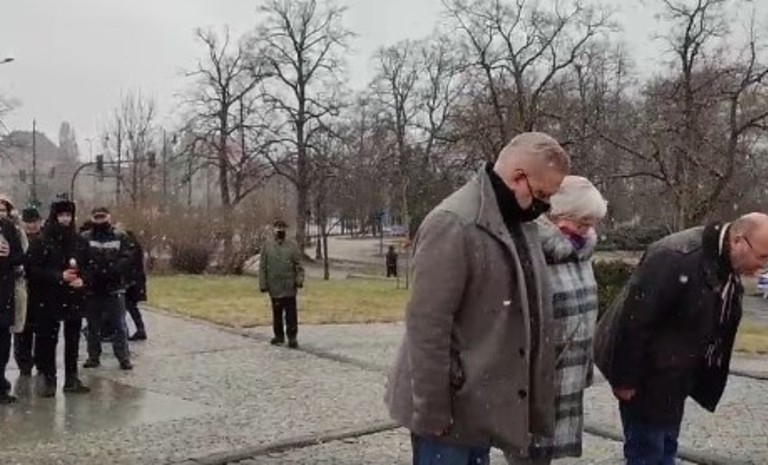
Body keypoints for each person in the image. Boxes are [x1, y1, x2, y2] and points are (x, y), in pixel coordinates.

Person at [385, 132, 570, 465]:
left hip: (480, 403)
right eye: (542, 195)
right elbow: (427, 325)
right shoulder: (453, 223)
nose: (544, 206)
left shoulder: (518, 222)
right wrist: (432, 411)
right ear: (518, 177)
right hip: (450, 410)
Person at [594, 213, 768, 465]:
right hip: (648, 376)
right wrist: (625, 379)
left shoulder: (721, 263)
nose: (763, 267)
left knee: (665, 447)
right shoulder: (675, 257)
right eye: (762, 257)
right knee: (648, 451)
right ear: (738, 241)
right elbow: (633, 321)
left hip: (674, 375)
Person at [518, 176, 607, 463]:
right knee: (528, 448)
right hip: (538, 371)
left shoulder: (581, 251)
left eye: (591, 223)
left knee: (547, 449)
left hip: (571, 366)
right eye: (582, 221)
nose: (587, 230)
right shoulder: (531, 249)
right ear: (557, 214)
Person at [27, 197, 92, 397]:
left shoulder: (79, 241)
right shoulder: (42, 241)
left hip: (73, 296)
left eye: (68, 215)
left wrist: (83, 279)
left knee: (73, 339)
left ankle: (71, 378)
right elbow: (32, 269)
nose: (65, 219)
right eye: (61, 215)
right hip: (48, 296)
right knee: (47, 339)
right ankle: (48, 378)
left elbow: (90, 266)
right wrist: (58, 276)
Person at [81, 207, 135, 370]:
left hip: (114, 287)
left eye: (102, 217)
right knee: (93, 326)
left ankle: (123, 357)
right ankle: (93, 356)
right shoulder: (85, 238)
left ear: (109, 217)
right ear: (92, 219)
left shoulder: (120, 237)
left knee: (119, 325)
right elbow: (81, 259)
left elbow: (127, 258)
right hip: (93, 288)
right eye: (97, 217)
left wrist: (112, 271)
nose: (100, 220)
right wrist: (92, 273)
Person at [259, 220, 305, 349]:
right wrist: (263, 283)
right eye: (277, 227)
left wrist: (299, 280)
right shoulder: (267, 246)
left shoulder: (292, 246)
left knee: (291, 314)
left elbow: (299, 265)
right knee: (277, 313)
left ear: (286, 229)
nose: (280, 230)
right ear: (273, 229)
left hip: (289, 286)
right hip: (274, 285)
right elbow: (263, 267)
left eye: (282, 227)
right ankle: (279, 336)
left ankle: (292, 337)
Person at [13, 206, 44, 377]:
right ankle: (24, 363)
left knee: (42, 330)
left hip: (41, 289)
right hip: (22, 287)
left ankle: (41, 361)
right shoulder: (18, 238)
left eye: (34, 222)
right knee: (22, 329)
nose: (31, 225)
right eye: (28, 222)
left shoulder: (45, 239)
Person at [0, 204, 24, 404]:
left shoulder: (9, 228)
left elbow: (20, 256)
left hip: (4, 291)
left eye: (2, 209)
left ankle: (1, 383)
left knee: (3, 341)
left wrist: (9, 256)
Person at [124, 229, 147, 341]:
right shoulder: (135, 247)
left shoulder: (131, 248)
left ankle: (136, 329)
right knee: (130, 306)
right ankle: (138, 329)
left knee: (128, 306)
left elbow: (129, 265)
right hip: (135, 281)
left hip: (132, 282)